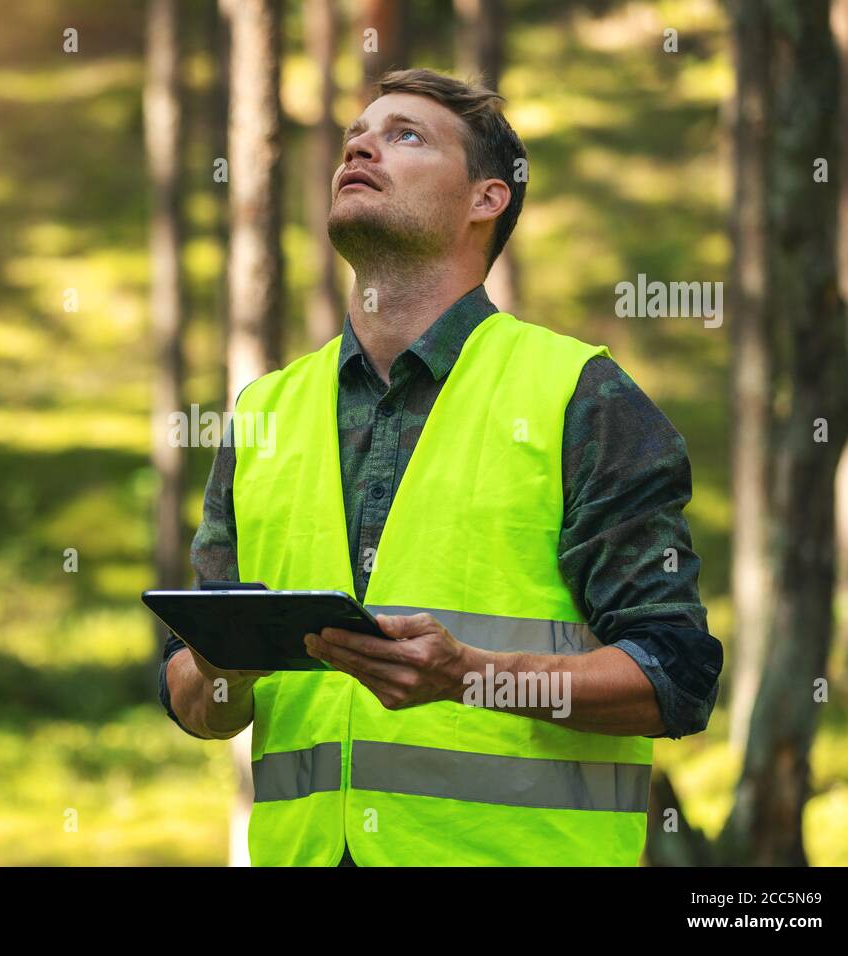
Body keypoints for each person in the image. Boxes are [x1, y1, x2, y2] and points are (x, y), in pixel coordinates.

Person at [159, 69, 722, 866]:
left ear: (487, 200)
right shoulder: (262, 414)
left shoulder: (578, 395)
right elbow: (195, 701)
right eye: (357, 133)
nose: (360, 144)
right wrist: (224, 667)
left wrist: (475, 677)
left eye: (405, 135)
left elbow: (675, 674)